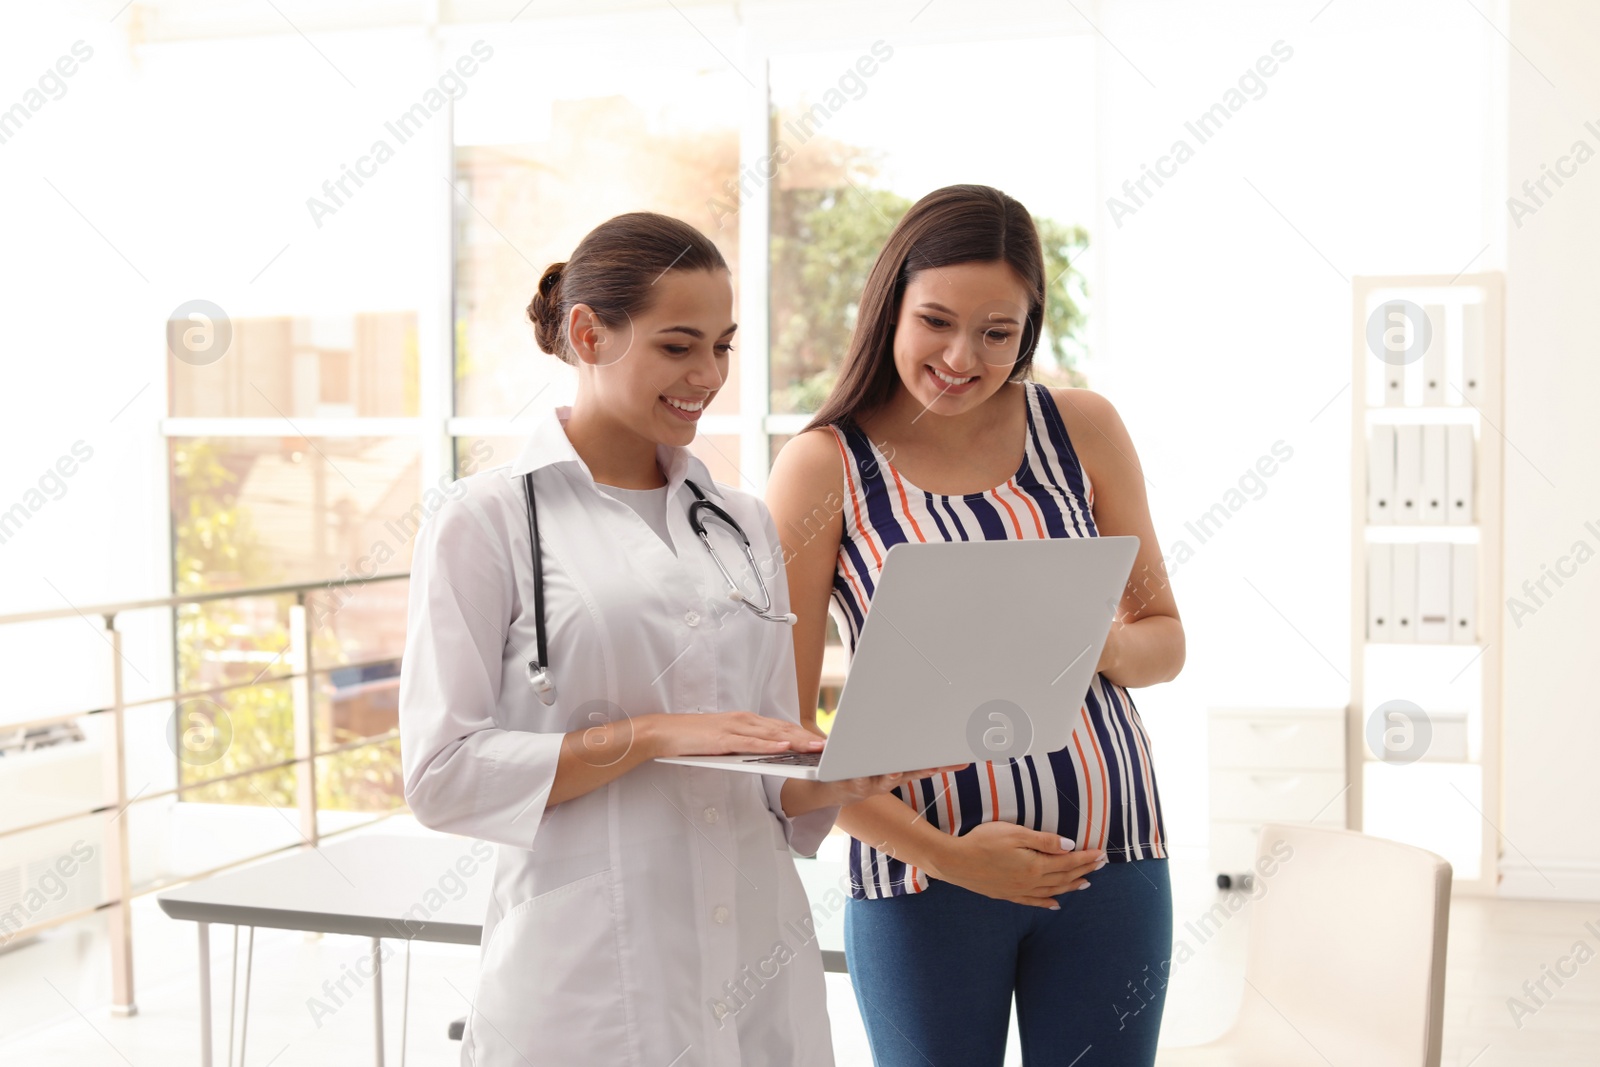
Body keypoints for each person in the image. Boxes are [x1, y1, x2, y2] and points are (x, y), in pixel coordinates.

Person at [399, 211, 943, 1066]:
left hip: (756, 949)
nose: (708, 375)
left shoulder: (740, 522)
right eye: (678, 345)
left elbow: (767, 774)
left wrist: (836, 773)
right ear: (589, 332)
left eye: (723, 346)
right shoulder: (490, 519)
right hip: (589, 971)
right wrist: (653, 736)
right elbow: (442, 775)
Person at [766, 184, 1186, 1066]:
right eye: (937, 321)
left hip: (1109, 859)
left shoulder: (1082, 428)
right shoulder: (822, 467)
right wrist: (950, 857)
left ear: (1027, 331)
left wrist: (1081, 636)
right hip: (924, 881)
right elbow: (790, 740)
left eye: (999, 333)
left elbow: (1164, 639)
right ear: (891, 307)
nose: (964, 356)